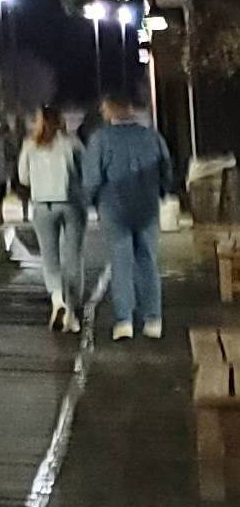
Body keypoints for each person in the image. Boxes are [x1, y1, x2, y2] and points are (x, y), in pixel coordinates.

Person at [81, 89, 173, 342]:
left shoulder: (101, 139)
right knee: (148, 261)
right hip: (147, 207)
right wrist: (162, 192)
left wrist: (89, 202)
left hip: (114, 208)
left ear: (110, 110)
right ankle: (153, 319)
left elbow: (92, 177)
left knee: (121, 262)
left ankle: (125, 321)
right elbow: (166, 169)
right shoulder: (151, 136)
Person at [19, 106, 88, 334]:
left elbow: (23, 177)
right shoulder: (72, 143)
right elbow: (84, 171)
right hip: (71, 203)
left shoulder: (30, 145)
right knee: (73, 257)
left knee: (50, 258)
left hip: (43, 205)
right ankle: (72, 311)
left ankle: (57, 299)